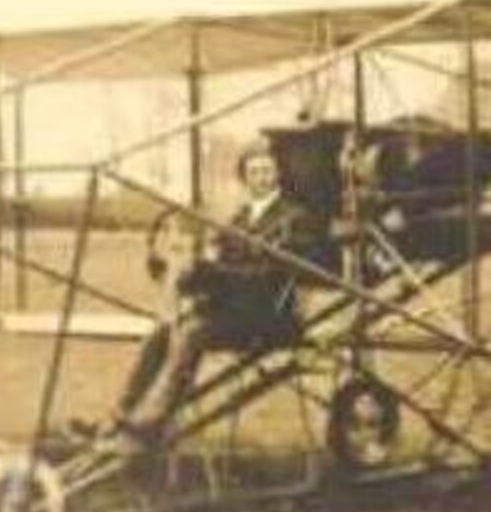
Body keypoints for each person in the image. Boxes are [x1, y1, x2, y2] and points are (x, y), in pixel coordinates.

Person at [92, 139, 330, 452]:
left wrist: (210, 272)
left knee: (191, 332)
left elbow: (270, 277)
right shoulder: (240, 219)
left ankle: (147, 427)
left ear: (277, 175)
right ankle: (120, 416)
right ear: (244, 178)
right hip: (235, 313)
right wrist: (179, 272)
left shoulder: (293, 219)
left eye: (267, 171)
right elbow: (216, 267)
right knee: (162, 332)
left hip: (272, 316)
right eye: (254, 172)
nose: (262, 177)